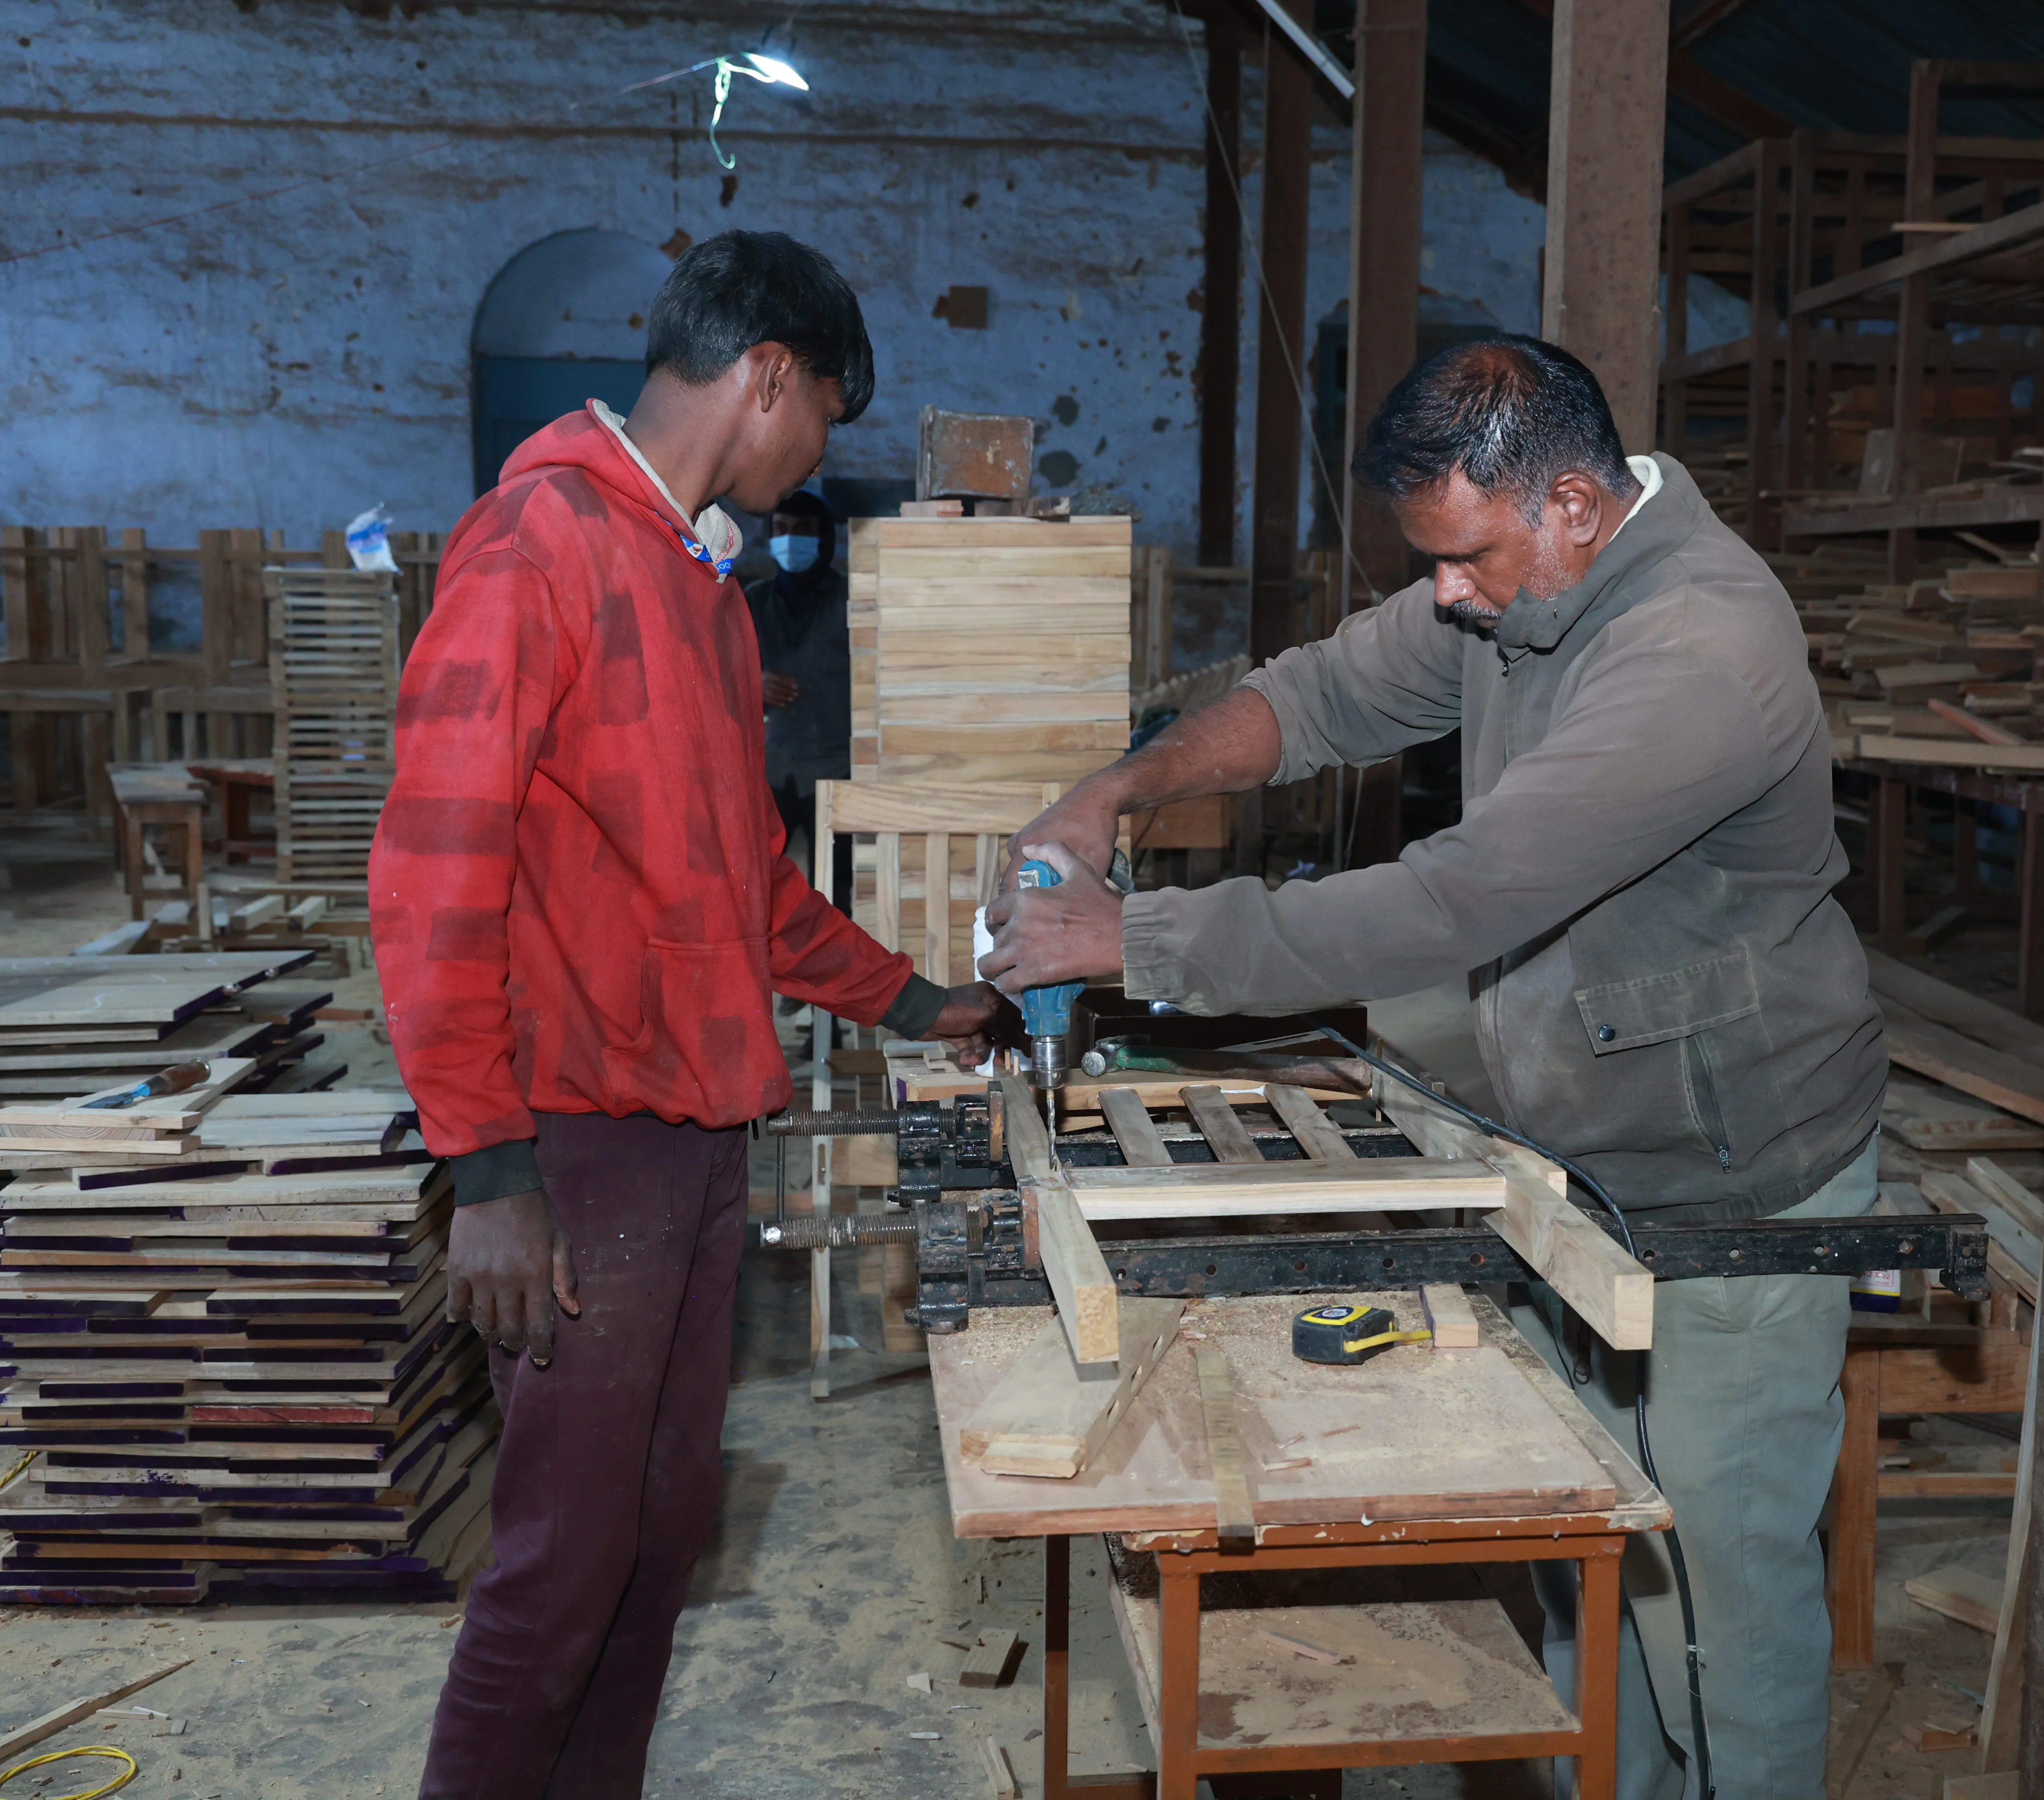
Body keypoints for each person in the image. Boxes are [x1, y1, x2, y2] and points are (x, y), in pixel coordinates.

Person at [980, 334, 1885, 1800]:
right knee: (1597, 1562)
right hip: (1585, 1145)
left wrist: (1131, 937)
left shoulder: (1698, 652)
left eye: (1464, 558)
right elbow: (1316, 695)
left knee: (1717, 1595)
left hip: (1742, 1179)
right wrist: (1115, 789)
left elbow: (1459, 897)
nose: (1446, 595)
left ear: (1575, 503)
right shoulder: (1516, 583)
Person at [371, 229, 1012, 1800]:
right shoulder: (537, 543)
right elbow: (432, 876)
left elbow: (754, 895)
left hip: (695, 1139)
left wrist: (919, 999)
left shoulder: (700, 591)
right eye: (821, 426)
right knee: (559, 1564)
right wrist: (492, 1169)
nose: (813, 465)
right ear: (768, 379)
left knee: (659, 1542)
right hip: (576, 1145)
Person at [740, 486, 852, 855]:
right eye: (782, 529)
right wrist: (752, 685)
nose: (790, 539)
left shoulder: (852, 602)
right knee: (763, 871)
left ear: (824, 537)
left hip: (838, 766)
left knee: (842, 878)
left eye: (803, 529)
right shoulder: (753, 602)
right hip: (773, 766)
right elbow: (718, 674)